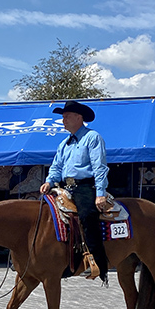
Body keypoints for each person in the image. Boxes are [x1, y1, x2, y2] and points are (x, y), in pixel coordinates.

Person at [40, 100, 109, 283]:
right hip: (64, 186)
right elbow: (56, 166)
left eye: (67, 116)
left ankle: (95, 262)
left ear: (79, 117)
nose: (63, 120)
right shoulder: (64, 144)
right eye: (63, 117)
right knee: (43, 211)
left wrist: (100, 193)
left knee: (87, 214)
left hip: (85, 186)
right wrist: (49, 182)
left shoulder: (93, 137)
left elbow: (99, 166)